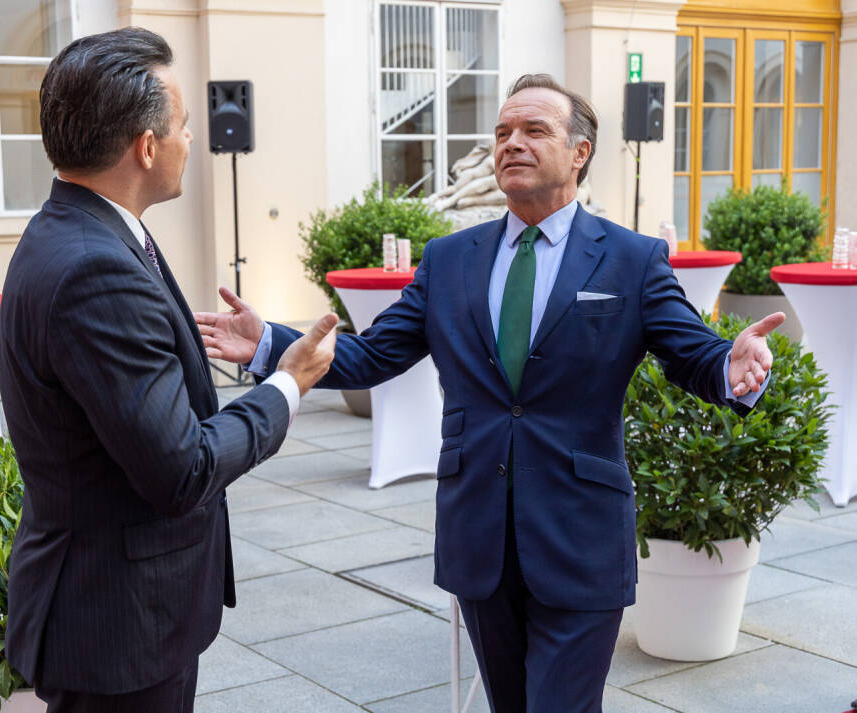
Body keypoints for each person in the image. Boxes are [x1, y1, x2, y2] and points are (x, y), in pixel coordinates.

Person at [195, 73, 785, 713]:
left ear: (580, 152)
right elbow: (372, 355)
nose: (511, 143)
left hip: (579, 532)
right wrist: (269, 344)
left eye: (534, 130)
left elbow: (692, 354)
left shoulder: (632, 259)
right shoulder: (449, 259)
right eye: (502, 132)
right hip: (479, 533)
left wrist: (731, 364)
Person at [0, 28, 338, 713]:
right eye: (182, 125)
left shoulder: (82, 229)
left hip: (119, 611)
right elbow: (182, 468)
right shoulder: (95, 267)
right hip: (116, 625)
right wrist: (288, 383)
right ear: (146, 147)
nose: (190, 139)